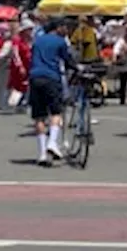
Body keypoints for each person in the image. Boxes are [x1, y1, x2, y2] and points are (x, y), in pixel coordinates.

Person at [28, 18, 76, 166]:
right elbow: (67, 60)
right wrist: (76, 67)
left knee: (39, 116)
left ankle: (42, 153)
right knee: (56, 112)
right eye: (65, 27)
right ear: (58, 27)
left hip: (35, 77)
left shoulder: (38, 40)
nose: (67, 31)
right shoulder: (60, 42)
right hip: (51, 77)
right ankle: (52, 142)